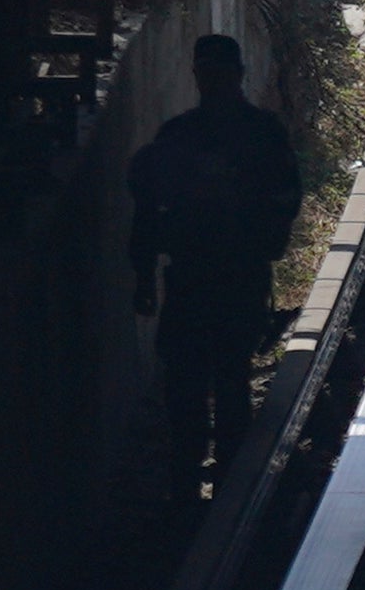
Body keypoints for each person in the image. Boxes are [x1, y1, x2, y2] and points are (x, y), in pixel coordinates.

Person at [129, 32, 306, 505]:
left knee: (208, 386)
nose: (210, 81)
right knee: (219, 385)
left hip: (207, 279)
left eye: (212, 72)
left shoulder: (183, 136)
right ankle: (215, 490)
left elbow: (146, 206)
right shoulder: (256, 133)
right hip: (221, 278)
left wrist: (145, 274)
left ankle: (197, 490)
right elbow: (286, 198)